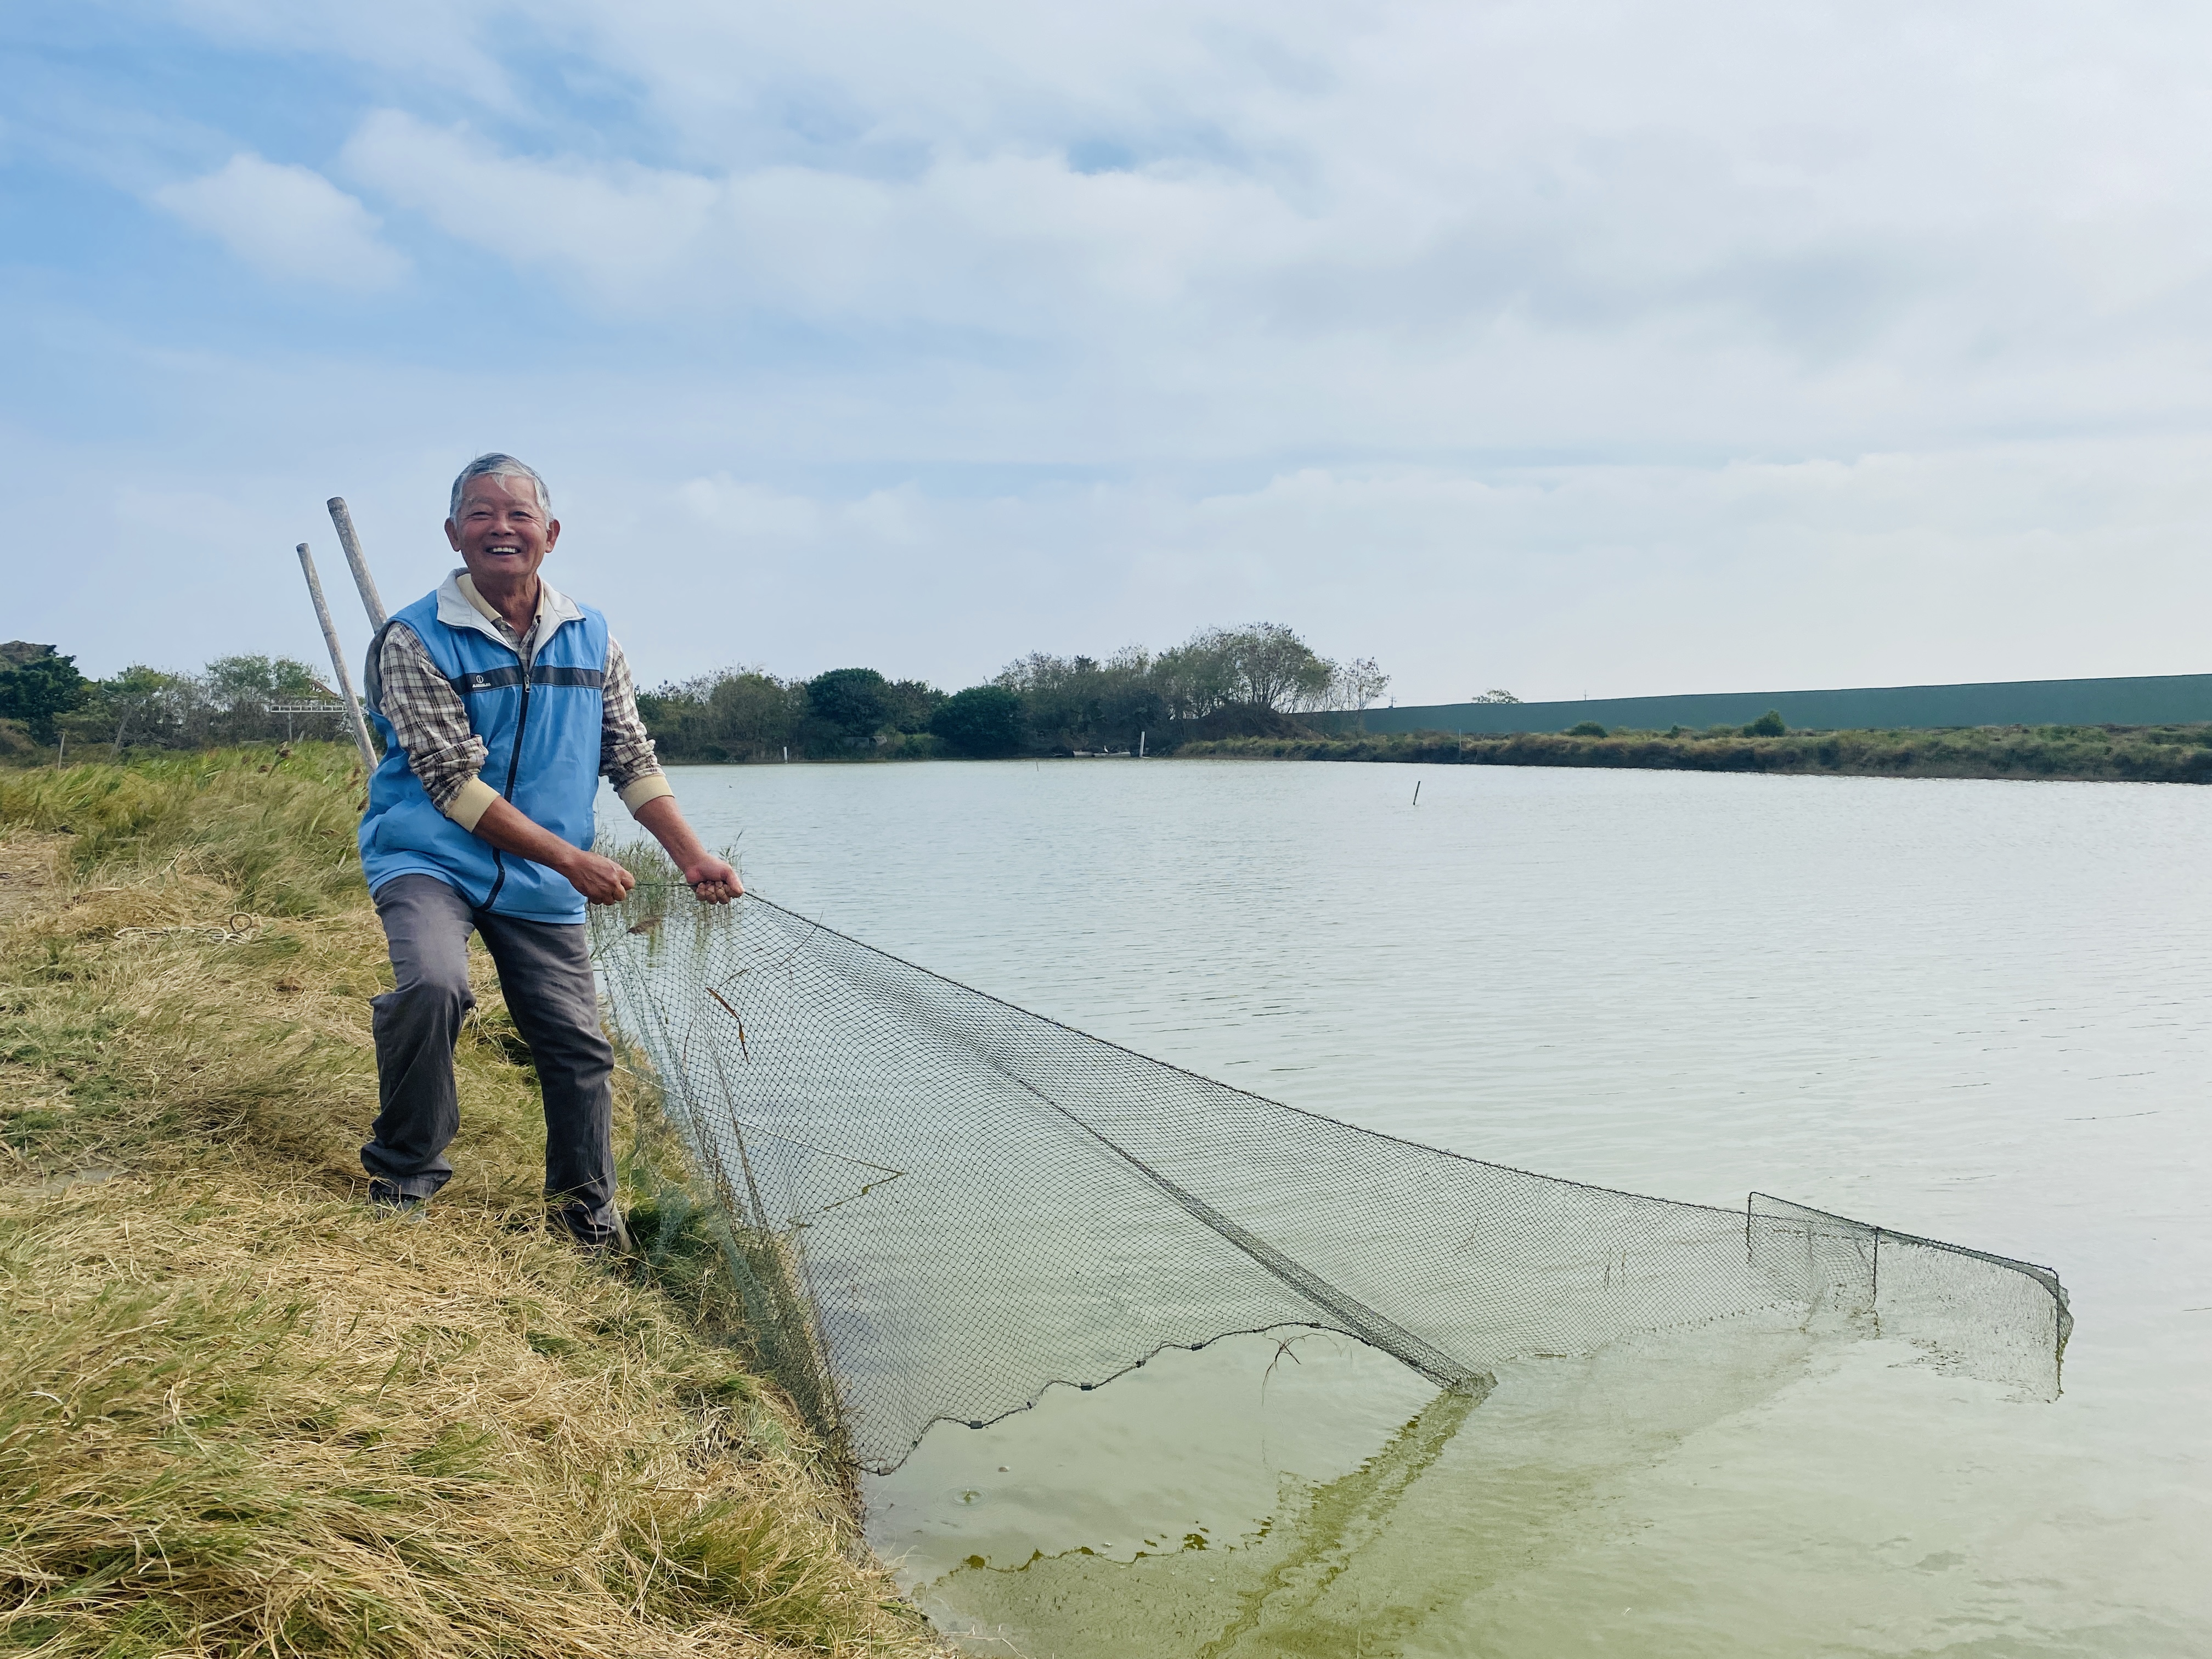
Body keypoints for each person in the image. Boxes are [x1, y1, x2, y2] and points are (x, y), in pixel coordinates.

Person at [356, 452, 741, 1246]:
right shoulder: (414, 637)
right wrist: (572, 858)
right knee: (433, 987)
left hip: (539, 882)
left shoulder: (591, 636)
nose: (501, 528)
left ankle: (583, 1213)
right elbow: (451, 784)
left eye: (518, 514)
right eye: (481, 514)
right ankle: (406, 1171)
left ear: (550, 534)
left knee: (578, 1046)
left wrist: (691, 857)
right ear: (453, 533)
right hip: (430, 857)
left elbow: (630, 758)